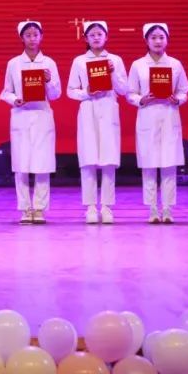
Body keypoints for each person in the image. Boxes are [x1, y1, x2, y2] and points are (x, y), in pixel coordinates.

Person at [126, 23, 188, 224]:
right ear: (146, 40)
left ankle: (168, 209)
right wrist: (141, 99)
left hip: (169, 115)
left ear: (167, 40)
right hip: (147, 115)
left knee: (169, 165)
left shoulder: (175, 64)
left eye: (161, 37)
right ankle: (153, 209)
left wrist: (177, 99)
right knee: (149, 165)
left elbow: (184, 91)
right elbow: (130, 93)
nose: (157, 41)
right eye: (153, 37)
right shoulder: (138, 65)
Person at [66, 20, 128, 225]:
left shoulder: (115, 60)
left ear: (106, 37)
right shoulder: (79, 61)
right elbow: (70, 91)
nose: (96, 37)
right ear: (85, 38)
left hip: (108, 110)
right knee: (88, 160)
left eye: (99, 34)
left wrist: (112, 72)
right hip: (88, 110)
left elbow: (124, 89)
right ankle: (91, 207)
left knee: (109, 161)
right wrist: (86, 92)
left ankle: (107, 207)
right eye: (91, 34)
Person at [0, 20, 61, 224]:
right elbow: (6, 92)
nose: (32, 38)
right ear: (22, 38)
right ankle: (25, 209)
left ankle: (40, 209)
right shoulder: (14, 63)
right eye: (28, 35)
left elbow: (56, 94)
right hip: (22, 116)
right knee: (21, 165)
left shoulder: (49, 63)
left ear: (41, 37)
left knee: (42, 164)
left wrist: (48, 81)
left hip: (42, 116)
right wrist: (14, 100)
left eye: (36, 35)